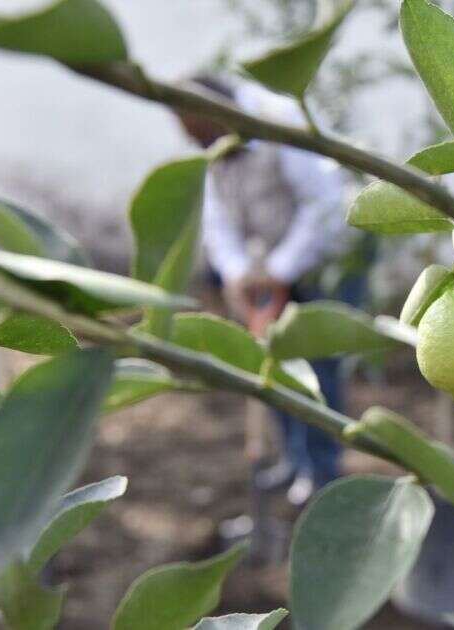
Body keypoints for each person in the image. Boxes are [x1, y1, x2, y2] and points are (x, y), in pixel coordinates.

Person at [176, 76, 354, 505]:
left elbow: (324, 206)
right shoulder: (214, 144)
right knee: (271, 362)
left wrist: (280, 269)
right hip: (267, 269)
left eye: (210, 137)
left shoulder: (280, 124)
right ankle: (295, 461)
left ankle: (324, 470)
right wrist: (237, 274)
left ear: (223, 118)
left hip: (322, 262)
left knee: (317, 370)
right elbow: (217, 221)